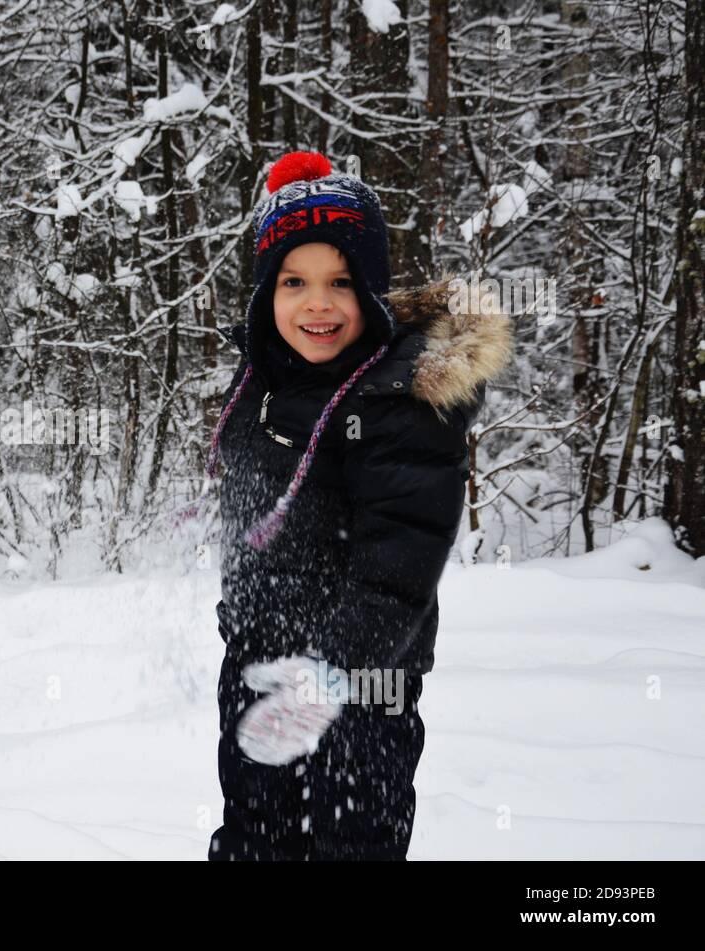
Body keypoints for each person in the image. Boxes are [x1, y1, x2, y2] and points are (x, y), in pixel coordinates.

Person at [205, 151, 512, 860]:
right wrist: (243, 618)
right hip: (259, 660)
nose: (318, 303)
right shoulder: (264, 379)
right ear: (265, 291)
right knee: (256, 836)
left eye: (340, 281)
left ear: (371, 291)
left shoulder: (402, 400)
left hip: (366, 683)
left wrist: (329, 672)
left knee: (353, 840)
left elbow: (399, 563)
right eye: (294, 281)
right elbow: (253, 515)